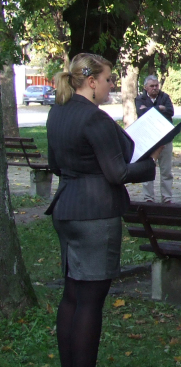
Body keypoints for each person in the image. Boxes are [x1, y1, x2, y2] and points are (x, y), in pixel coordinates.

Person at [46, 53, 159, 367]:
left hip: (66, 208)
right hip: (94, 215)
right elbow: (118, 173)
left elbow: (55, 164)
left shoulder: (58, 112)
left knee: (72, 295)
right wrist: (149, 163)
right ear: (91, 82)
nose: (112, 85)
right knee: (91, 302)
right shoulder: (94, 117)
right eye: (109, 79)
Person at [136, 75, 175, 202]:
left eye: (156, 85)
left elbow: (170, 111)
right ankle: (148, 198)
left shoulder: (165, 97)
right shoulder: (140, 99)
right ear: (145, 87)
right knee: (147, 169)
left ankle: (167, 197)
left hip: (165, 138)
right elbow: (140, 113)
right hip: (148, 140)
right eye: (152, 86)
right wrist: (159, 108)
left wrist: (149, 110)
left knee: (166, 171)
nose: (154, 88)